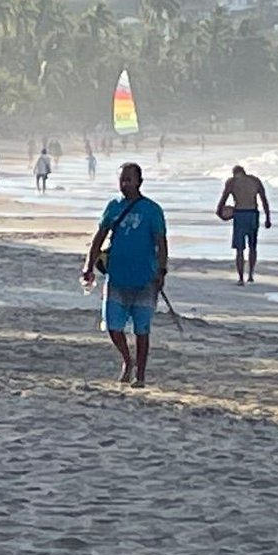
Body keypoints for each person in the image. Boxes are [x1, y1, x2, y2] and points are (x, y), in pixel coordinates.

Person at [82, 162, 168, 388]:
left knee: (142, 329)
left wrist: (162, 270)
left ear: (140, 181)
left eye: (129, 179)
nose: (125, 184)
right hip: (117, 278)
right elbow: (99, 238)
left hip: (145, 279)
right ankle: (126, 361)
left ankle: (140, 374)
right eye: (122, 180)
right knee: (112, 325)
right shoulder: (113, 207)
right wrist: (88, 266)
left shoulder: (152, 210)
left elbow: (161, 242)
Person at [216, 164, 272, 287]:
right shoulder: (255, 180)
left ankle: (241, 277)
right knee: (253, 246)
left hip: (240, 214)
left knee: (240, 249)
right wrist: (268, 218)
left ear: (235, 173)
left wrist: (220, 212)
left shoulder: (232, 182)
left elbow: (223, 198)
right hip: (253, 214)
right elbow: (264, 200)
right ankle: (251, 275)